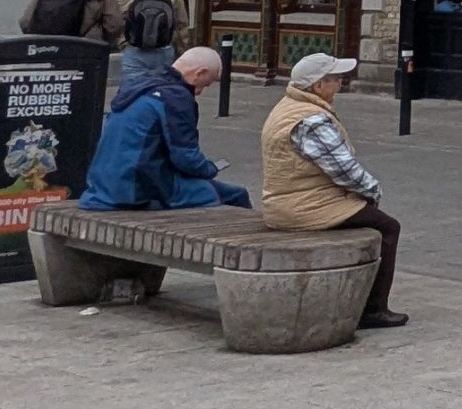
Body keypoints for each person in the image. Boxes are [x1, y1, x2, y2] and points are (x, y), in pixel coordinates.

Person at [260, 53, 407, 330]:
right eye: (336, 79)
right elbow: (345, 171)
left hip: (286, 202)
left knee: (366, 218)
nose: (341, 83)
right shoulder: (311, 120)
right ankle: (373, 309)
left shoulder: (288, 105)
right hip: (304, 207)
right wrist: (373, 192)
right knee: (388, 227)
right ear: (318, 86)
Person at [81, 46, 251, 211]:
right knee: (231, 194)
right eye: (205, 84)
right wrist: (210, 168)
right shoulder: (176, 98)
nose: (200, 92)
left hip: (101, 187)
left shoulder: (141, 85)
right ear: (199, 73)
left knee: (205, 189)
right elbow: (185, 157)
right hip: (135, 190)